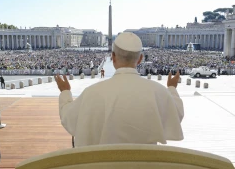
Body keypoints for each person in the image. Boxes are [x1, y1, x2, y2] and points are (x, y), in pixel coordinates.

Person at [55, 32, 184, 147]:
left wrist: (65, 92)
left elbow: (69, 119)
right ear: (140, 59)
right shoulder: (159, 92)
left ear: (113, 57)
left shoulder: (91, 93)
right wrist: (172, 88)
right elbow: (177, 113)